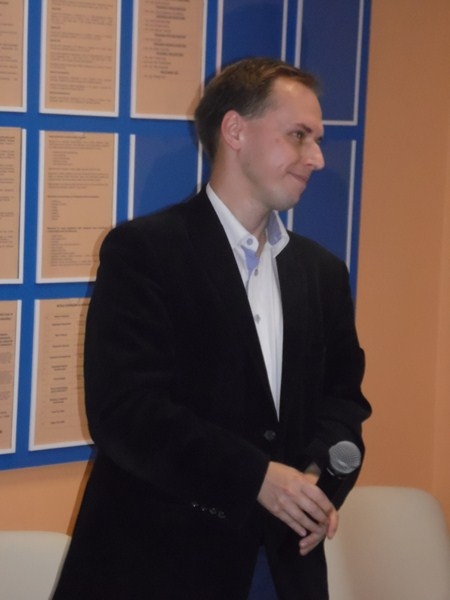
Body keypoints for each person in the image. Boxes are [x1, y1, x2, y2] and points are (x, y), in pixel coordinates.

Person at [53, 57, 371, 600]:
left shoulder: (322, 273)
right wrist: (255, 478)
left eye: (317, 141)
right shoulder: (145, 252)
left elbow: (344, 404)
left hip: (283, 565)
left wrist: (318, 484)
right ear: (235, 131)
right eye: (298, 136)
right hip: (158, 566)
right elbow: (126, 413)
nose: (317, 158)